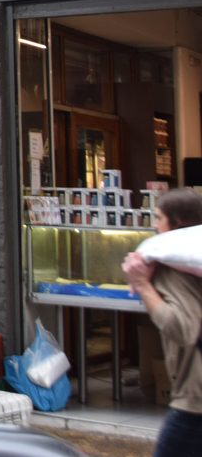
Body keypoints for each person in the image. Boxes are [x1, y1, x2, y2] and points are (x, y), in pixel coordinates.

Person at [122, 188, 202, 457]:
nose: (154, 225)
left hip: (195, 399)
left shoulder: (172, 269)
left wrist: (143, 285)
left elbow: (182, 328)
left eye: (158, 218)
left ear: (177, 223)